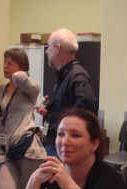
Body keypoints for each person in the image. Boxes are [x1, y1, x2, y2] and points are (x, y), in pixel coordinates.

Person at [0, 48, 46, 189]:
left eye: (10, 63)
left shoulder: (30, 89)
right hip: (5, 151)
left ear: (21, 67)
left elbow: (23, 80)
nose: (5, 66)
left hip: (27, 149)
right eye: (4, 62)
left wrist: (20, 73)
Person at [35, 28, 98, 156]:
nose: (46, 51)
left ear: (57, 48)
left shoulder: (77, 75)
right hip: (56, 143)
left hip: (64, 147)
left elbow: (87, 108)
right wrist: (50, 111)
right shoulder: (65, 75)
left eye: (48, 47)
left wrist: (63, 127)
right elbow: (67, 106)